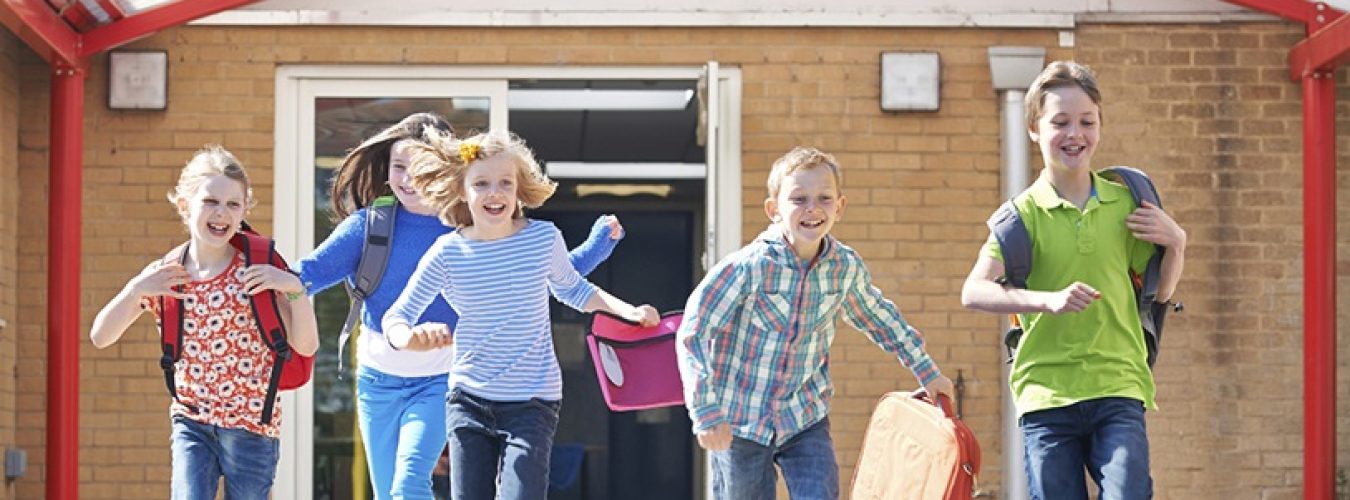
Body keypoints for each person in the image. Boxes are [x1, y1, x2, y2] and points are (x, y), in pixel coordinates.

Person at [293, 113, 623, 500]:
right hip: (378, 377)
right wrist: (257, 275)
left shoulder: (465, 227)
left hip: (442, 376)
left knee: (409, 483)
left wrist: (598, 246)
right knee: (387, 493)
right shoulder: (370, 226)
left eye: (422, 168)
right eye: (400, 168)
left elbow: (551, 276)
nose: (409, 179)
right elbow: (308, 274)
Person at [382, 130, 658, 500]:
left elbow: (573, 289)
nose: (494, 193)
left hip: (532, 402)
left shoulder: (543, 239)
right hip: (469, 400)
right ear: (463, 190)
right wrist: (408, 338)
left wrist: (631, 311)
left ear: (518, 189)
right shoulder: (446, 253)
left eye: (505, 183)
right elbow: (397, 317)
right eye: (481, 183)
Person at [960, 61, 1187, 499]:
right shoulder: (1021, 216)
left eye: (1087, 121)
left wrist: (1177, 243)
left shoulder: (1126, 202)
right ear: (1034, 128)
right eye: (1060, 122)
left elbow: (1160, 292)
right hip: (1047, 394)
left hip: (1118, 382)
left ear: (1100, 125)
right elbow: (973, 290)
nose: (1074, 134)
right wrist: (1046, 301)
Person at [675, 146, 956, 500]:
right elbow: (694, 332)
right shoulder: (749, 267)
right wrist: (705, 410)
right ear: (774, 210)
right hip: (739, 422)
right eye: (799, 198)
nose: (812, 208)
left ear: (839, 207)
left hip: (803, 418)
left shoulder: (844, 268)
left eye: (824, 198)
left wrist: (927, 371)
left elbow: (879, 318)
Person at [89, 145, 319, 499]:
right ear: (185, 206)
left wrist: (295, 290)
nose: (221, 213)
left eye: (233, 204)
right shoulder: (167, 274)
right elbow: (101, 336)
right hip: (191, 422)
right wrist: (135, 290)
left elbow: (305, 345)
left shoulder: (258, 265)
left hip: (252, 427)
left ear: (244, 210)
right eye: (210, 201)